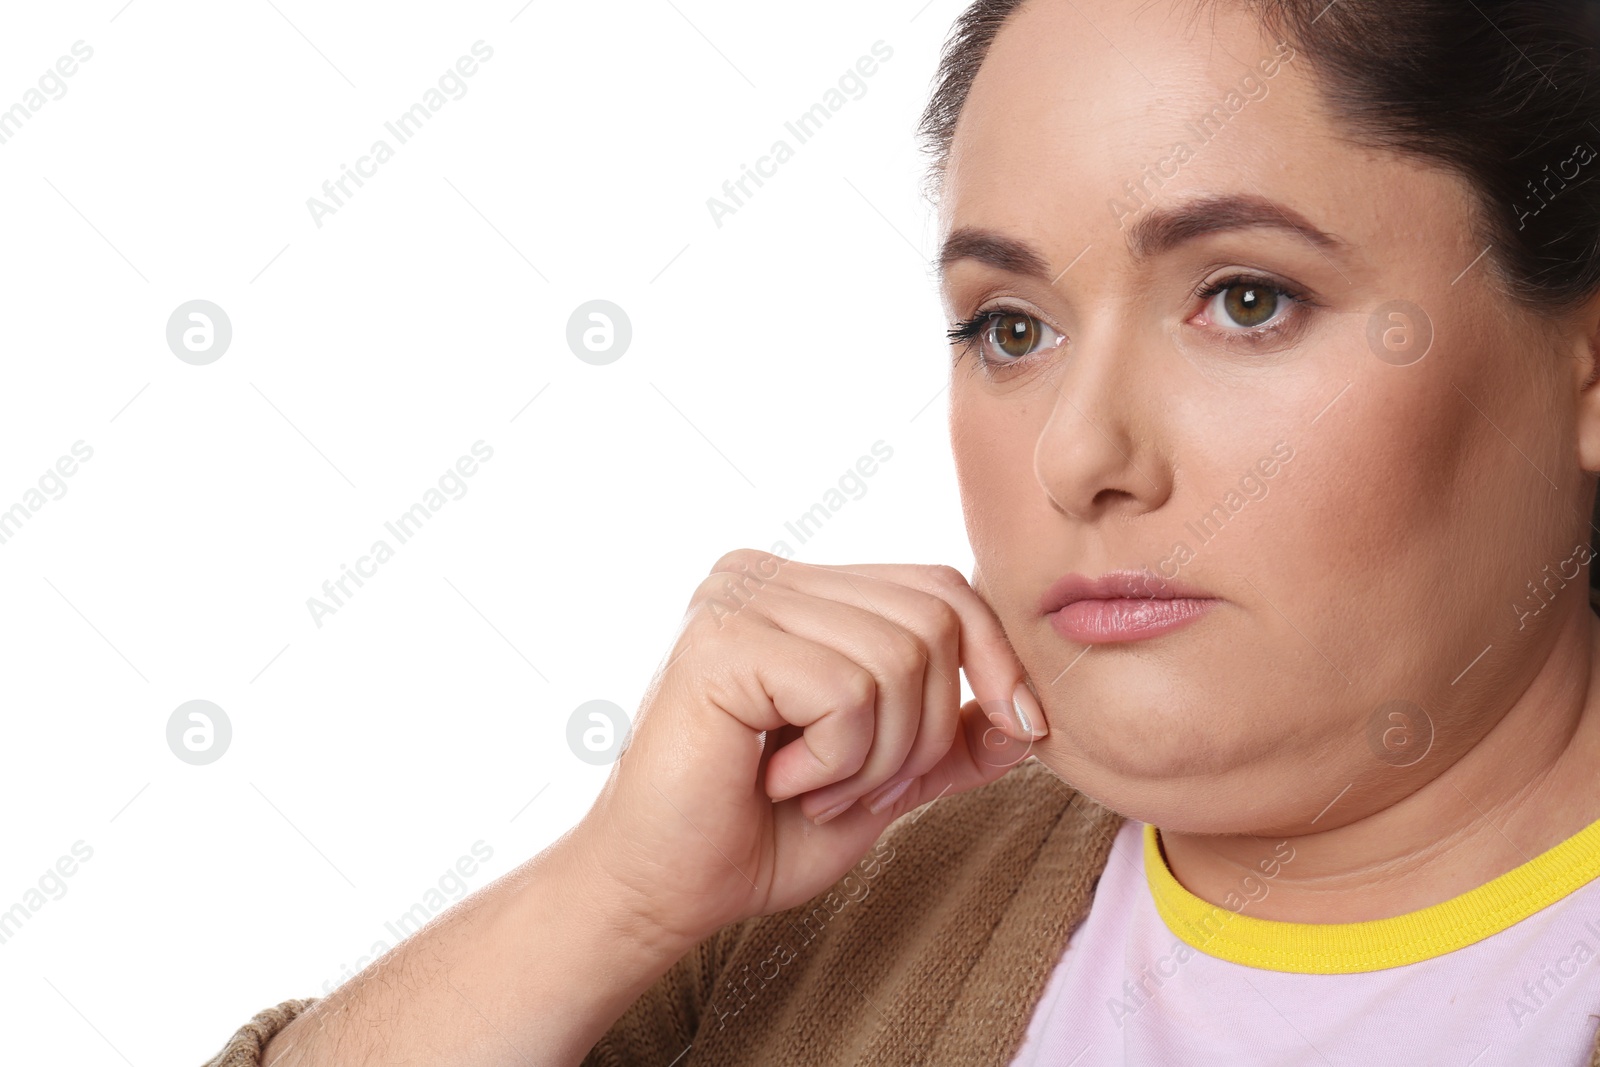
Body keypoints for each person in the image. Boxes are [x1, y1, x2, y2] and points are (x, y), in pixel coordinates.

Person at [205, 0, 1600, 1063]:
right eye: (1012, 326)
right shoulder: (829, 904)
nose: (1078, 452)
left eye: (1245, 299)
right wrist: (619, 892)